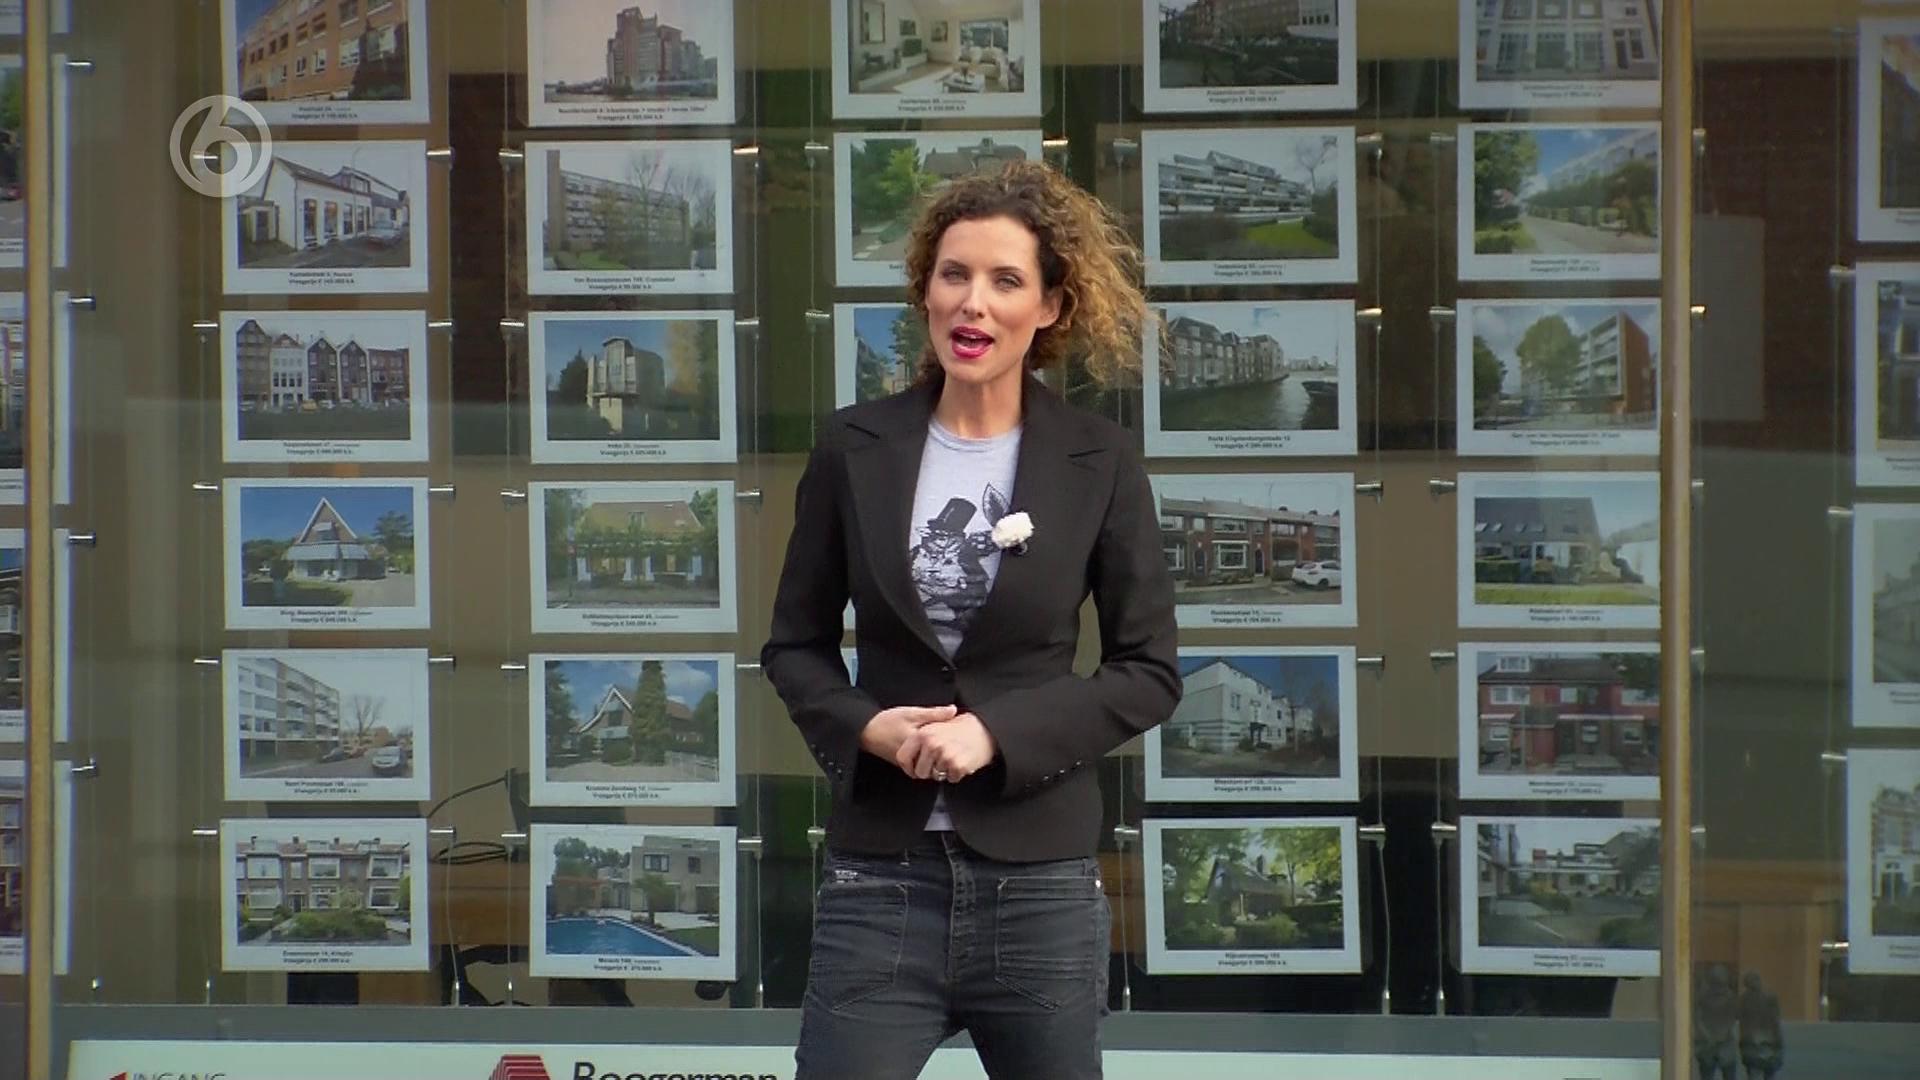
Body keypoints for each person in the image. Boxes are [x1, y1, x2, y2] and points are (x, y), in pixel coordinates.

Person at [760, 160, 1181, 1080]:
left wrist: (996, 734)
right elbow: (794, 647)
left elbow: (1148, 672)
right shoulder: (853, 447)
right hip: (881, 885)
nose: (973, 302)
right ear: (925, 290)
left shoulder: (1099, 460)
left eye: (1005, 280)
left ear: (1051, 306)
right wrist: (868, 727)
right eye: (954, 274)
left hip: (1039, 889)